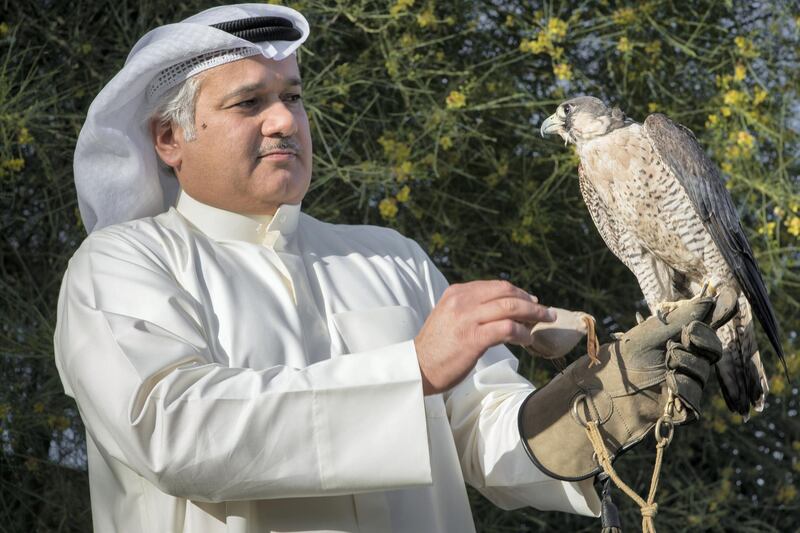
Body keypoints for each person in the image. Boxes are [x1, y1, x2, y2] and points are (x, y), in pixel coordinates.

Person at [54, 4, 727, 532]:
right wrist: (412, 369)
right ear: (170, 139)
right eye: (249, 102)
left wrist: (597, 408)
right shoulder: (120, 264)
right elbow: (173, 431)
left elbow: (484, 433)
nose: (285, 120)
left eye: (293, 96)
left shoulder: (389, 256)